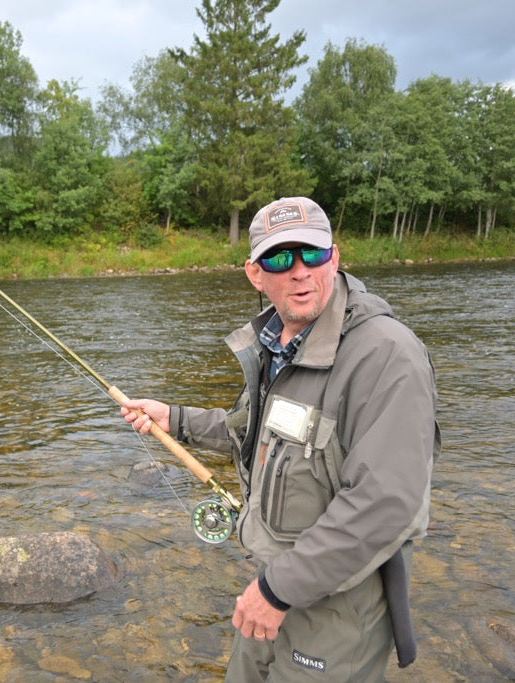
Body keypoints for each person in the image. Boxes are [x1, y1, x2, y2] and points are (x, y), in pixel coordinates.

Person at [122, 197, 440, 682]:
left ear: (334, 258)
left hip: (337, 604)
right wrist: (175, 419)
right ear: (255, 274)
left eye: (312, 254)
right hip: (275, 584)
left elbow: (384, 502)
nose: (299, 271)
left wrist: (276, 591)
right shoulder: (279, 343)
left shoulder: (387, 355)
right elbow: (252, 432)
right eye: (279, 258)